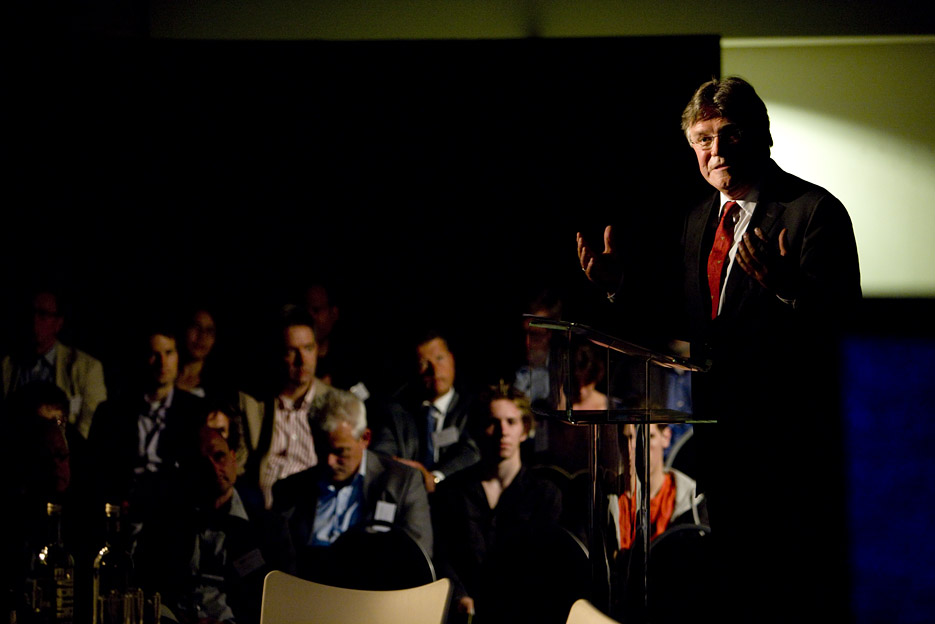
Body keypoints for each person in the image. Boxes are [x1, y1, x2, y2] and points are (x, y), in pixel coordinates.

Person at [576, 76, 861, 620]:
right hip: (722, 443)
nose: (716, 149)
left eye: (729, 134)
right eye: (702, 139)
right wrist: (619, 287)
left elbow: (845, 328)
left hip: (791, 452)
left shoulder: (813, 211)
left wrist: (791, 291)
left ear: (762, 136)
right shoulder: (698, 218)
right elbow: (691, 323)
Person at [134, 426, 295, 624]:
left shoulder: (269, 528)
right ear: (185, 469)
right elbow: (144, 588)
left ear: (233, 459)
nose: (213, 468)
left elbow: (284, 602)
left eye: (219, 456)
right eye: (200, 462)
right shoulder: (164, 523)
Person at [432, 383, 564, 624]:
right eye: (493, 422)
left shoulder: (544, 494)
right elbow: (442, 555)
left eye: (511, 422)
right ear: (478, 429)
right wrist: (459, 596)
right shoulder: (453, 491)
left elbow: (544, 564)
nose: (503, 431)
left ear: (524, 430)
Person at [272, 389, 433, 579]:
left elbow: (418, 559)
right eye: (321, 450)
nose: (330, 461)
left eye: (341, 452)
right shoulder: (290, 490)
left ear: (365, 438)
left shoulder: (401, 482)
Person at [87, 324, 207, 518]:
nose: (162, 362)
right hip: (120, 510)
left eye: (169, 353)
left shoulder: (195, 411)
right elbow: (97, 470)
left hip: (173, 512)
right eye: (154, 354)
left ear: (178, 356)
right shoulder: (112, 412)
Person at [246, 307, 358, 510]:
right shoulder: (252, 402)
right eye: (291, 351)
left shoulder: (335, 402)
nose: (302, 360)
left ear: (318, 349)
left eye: (308, 348)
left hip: (314, 510)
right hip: (261, 511)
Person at [371, 329, 480, 494]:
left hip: (458, 493)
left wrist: (434, 477)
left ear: (452, 359)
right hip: (408, 492)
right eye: (424, 363)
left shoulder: (472, 408)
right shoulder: (397, 412)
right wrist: (415, 475)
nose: (434, 370)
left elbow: (471, 452)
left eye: (440, 359)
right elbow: (382, 453)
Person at [1, 288, 107, 439]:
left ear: (58, 323)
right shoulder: (7, 365)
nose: (34, 320)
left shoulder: (86, 367)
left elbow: (92, 421)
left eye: (43, 314)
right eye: (31, 313)